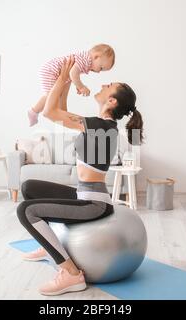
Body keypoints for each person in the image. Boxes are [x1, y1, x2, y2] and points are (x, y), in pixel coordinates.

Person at [17, 57, 144, 296]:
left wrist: (63, 79)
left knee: (26, 210)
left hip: (93, 205)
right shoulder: (100, 125)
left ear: (112, 100)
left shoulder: (100, 126)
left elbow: (50, 112)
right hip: (83, 195)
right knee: (29, 187)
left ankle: (72, 275)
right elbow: (59, 111)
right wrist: (62, 83)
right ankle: (50, 245)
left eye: (109, 86)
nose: (103, 85)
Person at [27, 44, 116, 126]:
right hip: (52, 71)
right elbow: (73, 73)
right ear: (96, 56)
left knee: (56, 97)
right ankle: (33, 111)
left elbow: (72, 75)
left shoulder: (85, 59)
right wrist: (81, 86)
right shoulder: (86, 60)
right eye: (101, 67)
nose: (98, 71)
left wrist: (77, 84)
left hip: (56, 72)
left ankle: (59, 116)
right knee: (51, 96)